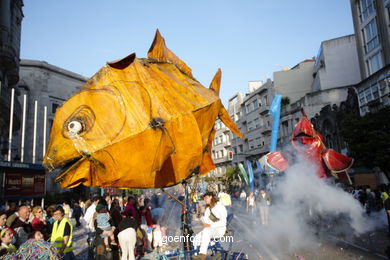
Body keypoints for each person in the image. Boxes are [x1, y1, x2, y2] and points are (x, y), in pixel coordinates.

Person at [192, 192, 227, 260]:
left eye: (206, 198)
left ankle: (202, 255)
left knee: (206, 230)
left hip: (220, 229)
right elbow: (206, 222)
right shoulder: (208, 209)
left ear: (211, 197)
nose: (204, 200)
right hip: (211, 229)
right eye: (204, 198)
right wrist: (200, 214)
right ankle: (197, 255)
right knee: (196, 238)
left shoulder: (219, 206)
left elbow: (223, 222)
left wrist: (210, 225)